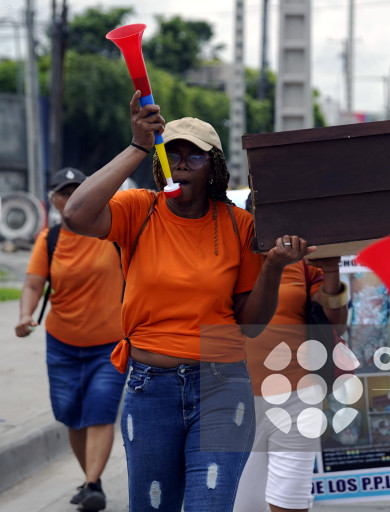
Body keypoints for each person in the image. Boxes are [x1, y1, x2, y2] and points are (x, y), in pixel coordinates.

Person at [62, 92, 310, 512]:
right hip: (149, 389)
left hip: (221, 389)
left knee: (208, 505)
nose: (180, 162)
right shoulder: (138, 210)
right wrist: (138, 147)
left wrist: (272, 269)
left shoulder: (239, 225)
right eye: (170, 154)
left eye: (193, 156)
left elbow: (250, 324)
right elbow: (75, 214)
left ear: (213, 168)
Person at [15, 167, 126, 512]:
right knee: (71, 415)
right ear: (54, 201)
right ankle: (90, 480)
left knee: (100, 411)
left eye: (78, 190)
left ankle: (93, 483)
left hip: (110, 344)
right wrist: (24, 315)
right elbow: (34, 284)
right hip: (62, 343)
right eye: (64, 193)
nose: (71, 197)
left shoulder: (112, 233)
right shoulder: (49, 239)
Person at [234, 194, 348, 512]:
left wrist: (332, 271)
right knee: (244, 505)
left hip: (298, 393)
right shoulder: (231, 257)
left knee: (290, 499)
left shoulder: (304, 263)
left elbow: (336, 321)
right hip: (237, 397)